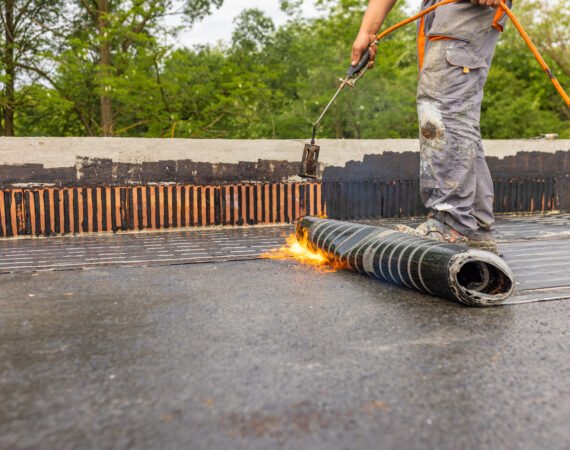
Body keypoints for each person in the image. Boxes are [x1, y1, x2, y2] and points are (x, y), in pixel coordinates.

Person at [352, 0, 511, 254]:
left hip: (463, 7)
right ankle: (474, 225)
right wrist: (367, 31)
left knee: (441, 109)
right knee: (453, 111)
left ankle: (452, 224)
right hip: (438, 9)